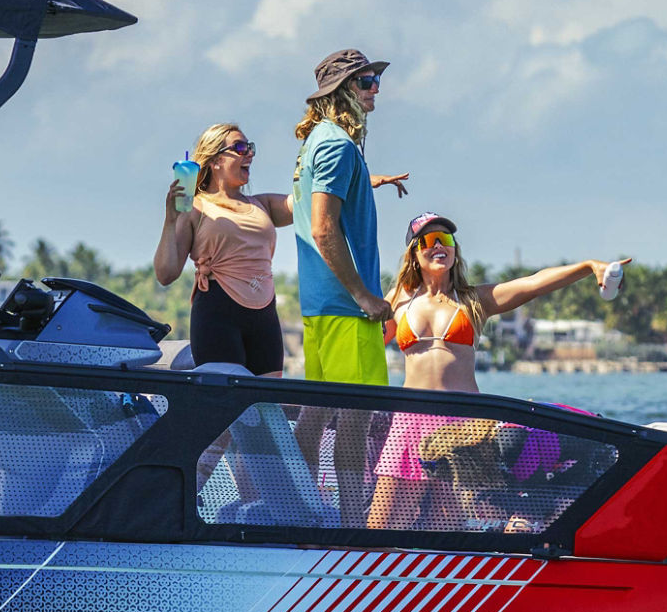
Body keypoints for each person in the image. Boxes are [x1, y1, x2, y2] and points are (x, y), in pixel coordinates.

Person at [367, 212, 626, 531]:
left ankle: (452, 577)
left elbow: (532, 284)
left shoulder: (475, 300)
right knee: (382, 524)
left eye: (446, 240)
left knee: (447, 527)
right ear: (414, 252)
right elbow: (367, 344)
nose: (440, 246)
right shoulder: (398, 301)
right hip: (409, 421)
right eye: (430, 240)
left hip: (462, 425)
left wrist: (588, 266)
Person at [289, 49, 409, 525]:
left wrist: (366, 181)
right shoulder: (337, 144)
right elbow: (323, 228)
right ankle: (350, 524)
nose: (375, 88)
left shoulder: (319, 142)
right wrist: (363, 295)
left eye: (375, 79)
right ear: (342, 91)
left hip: (321, 306)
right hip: (346, 306)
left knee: (318, 416)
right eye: (365, 81)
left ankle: (295, 509)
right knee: (355, 420)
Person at [153, 123, 292, 376]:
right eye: (240, 148)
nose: (249, 153)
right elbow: (166, 274)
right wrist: (170, 219)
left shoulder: (263, 204)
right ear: (216, 160)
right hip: (218, 315)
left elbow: (309, 202)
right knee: (228, 407)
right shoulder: (195, 207)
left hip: (265, 317)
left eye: (250, 148)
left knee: (271, 407)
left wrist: (350, 175)